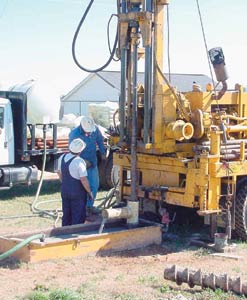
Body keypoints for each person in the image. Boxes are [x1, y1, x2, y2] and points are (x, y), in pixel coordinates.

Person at [69, 116, 106, 212]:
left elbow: (100, 141)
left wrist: (103, 152)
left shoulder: (95, 129)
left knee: (94, 185)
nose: (89, 133)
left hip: (92, 162)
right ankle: (80, 207)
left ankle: (89, 206)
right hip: (80, 163)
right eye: (87, 132)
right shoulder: (74, 133)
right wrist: (82, 161)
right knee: (80, 186)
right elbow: (72, 150)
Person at [57, 138, 94, 226]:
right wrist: (89, 192)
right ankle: (75, 233)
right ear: (80, 151)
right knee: (78, 216)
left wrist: (65, 182)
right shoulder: (79, 162)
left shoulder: (62, 157)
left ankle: (64, 232)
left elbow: (59, 172)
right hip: (77, 193)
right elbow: (84, 180)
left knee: (66, 214)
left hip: (65, 190)